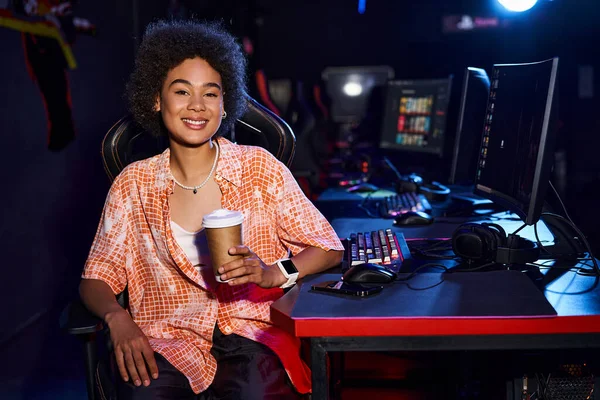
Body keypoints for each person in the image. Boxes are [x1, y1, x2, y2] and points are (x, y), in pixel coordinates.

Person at [79, 20, 344, 399]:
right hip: (167, 339)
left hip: (253, 332)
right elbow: (96, 277)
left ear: (225, 103)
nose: (197, 106)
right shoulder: (133, 184)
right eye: (182, 91)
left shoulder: (259, 168)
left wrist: (274, 273)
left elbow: (328, 246)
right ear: (157, 99)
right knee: (143, 392)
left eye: (211, 93)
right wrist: (117, 317)